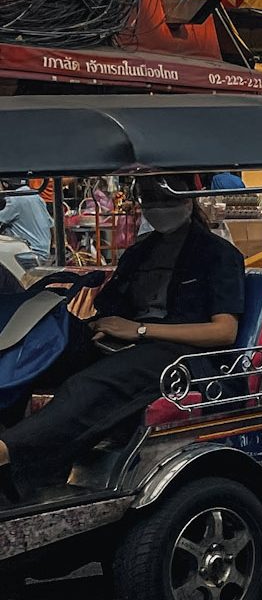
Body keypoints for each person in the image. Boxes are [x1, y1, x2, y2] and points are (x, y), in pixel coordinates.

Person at [0, 175, 244, 497]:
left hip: (182, 355)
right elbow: (109, 307)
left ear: (188, 198)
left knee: (87, 385)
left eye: (164, 197)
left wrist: (140, 330)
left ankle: (8, 452)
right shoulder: (139, 253)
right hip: (124, 342)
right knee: (32, 355)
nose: (157, 207)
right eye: (149, 198)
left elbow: (224, 332)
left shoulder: (219, 254)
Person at [0, 179, 53, 257]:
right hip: (44, 252)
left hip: (29, 254)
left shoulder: (13, 199)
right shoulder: (35, 196)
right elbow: (51, 224)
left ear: (5, 184)